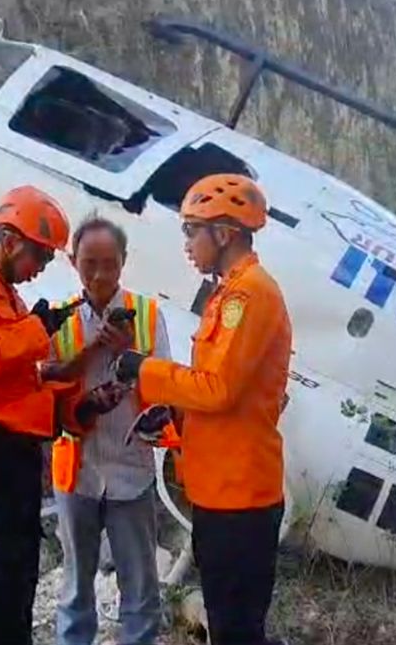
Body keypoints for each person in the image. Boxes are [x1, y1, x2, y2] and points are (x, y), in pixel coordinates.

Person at [0, 185, 124, 645]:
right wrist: (36, 329)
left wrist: (82, 398)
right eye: (38, 257)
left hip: (15, 454)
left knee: (18, 579)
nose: (38, 271)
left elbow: (21, 380)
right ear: (11, 241)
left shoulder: (10, 300)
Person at [114, 174, 293, 645]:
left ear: (225, 233)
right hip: (222, 490)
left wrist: (145, 372)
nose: (187, 243)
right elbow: (228, 400)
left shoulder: (248, 295)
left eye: (192, 230)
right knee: (230, 623)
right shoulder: (229, 294)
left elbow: (217, 389)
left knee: (235, 629)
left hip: (240, 497)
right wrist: (173, 419)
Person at [45, 216, 170, 645]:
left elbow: (165, 390)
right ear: (71, 260)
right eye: (88, 263)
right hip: (76, 473)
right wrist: (90, 354)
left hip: (130, 472)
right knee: (76, 586)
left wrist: (127, 356)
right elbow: (46, 390)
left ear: (124, 262)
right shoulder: (58, 319)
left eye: (109, 264)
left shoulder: (149, 315)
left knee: (140, 589)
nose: (99, 275)